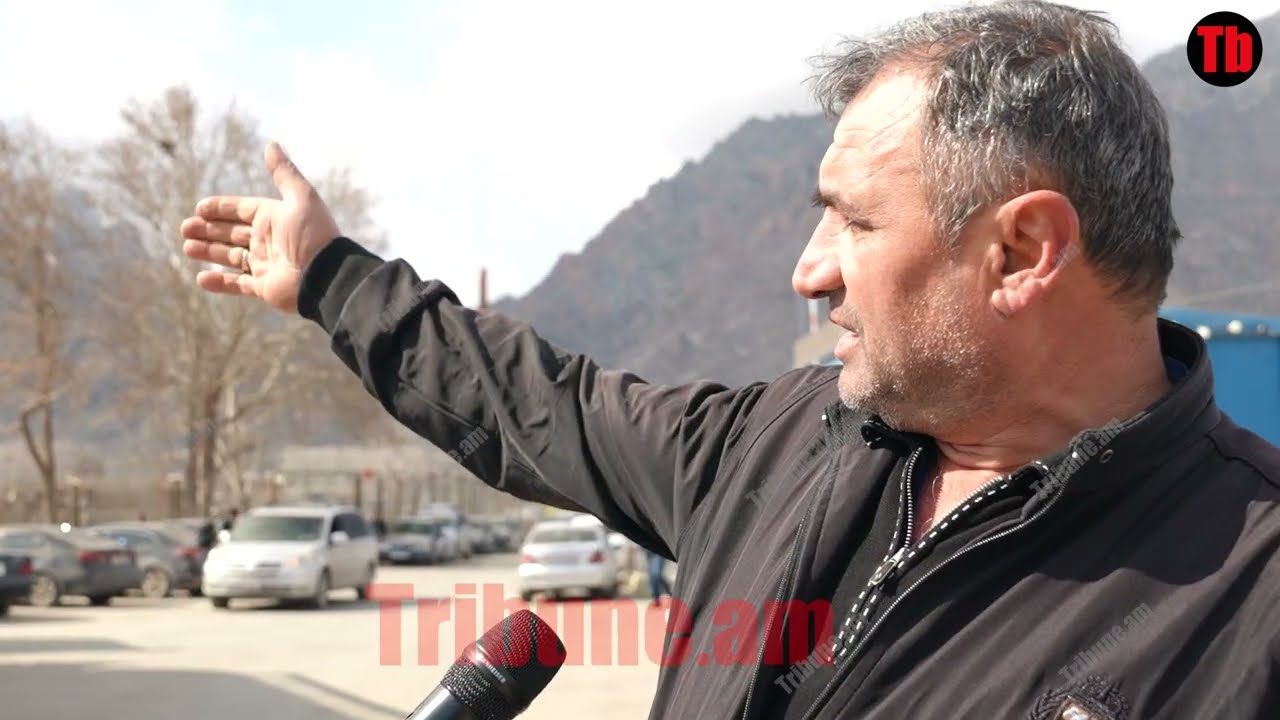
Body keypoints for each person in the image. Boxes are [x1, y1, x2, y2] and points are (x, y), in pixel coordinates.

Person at [178, 2, 1280, 717]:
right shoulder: (773, 445)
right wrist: (333, 281)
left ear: (1021, 251)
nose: (809, 271)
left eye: (853, 221)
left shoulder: (1251, 595)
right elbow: (536, 404)